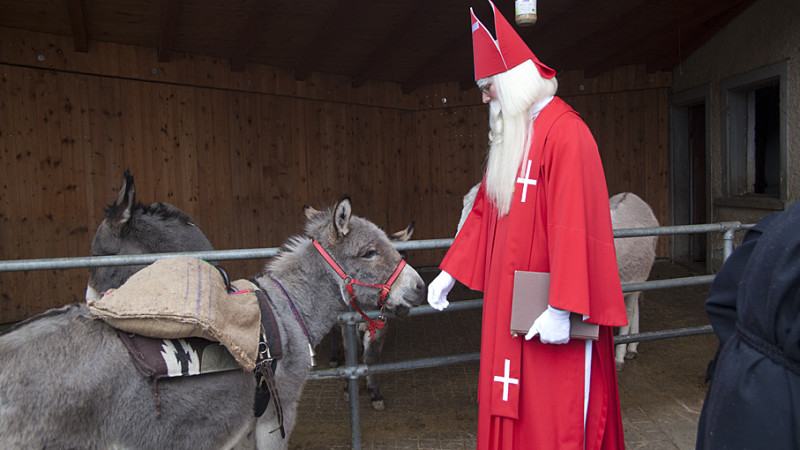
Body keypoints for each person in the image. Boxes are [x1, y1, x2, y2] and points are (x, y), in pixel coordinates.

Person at [426, 1, 628, 448]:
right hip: (511, 315)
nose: (483, 97)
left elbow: (579, 227)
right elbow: (485, 209)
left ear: (512, 84)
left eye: (487, 86)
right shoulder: (517, 137)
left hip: (551, 317)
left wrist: (564, 307)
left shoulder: (565, 133)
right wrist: (450, 271)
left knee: (555, 422)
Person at [696, 200, 800, 449]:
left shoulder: (779, 226)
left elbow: (720, 301)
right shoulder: (775, 230)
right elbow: (722, 302)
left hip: (743, 388)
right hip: (766, 402)